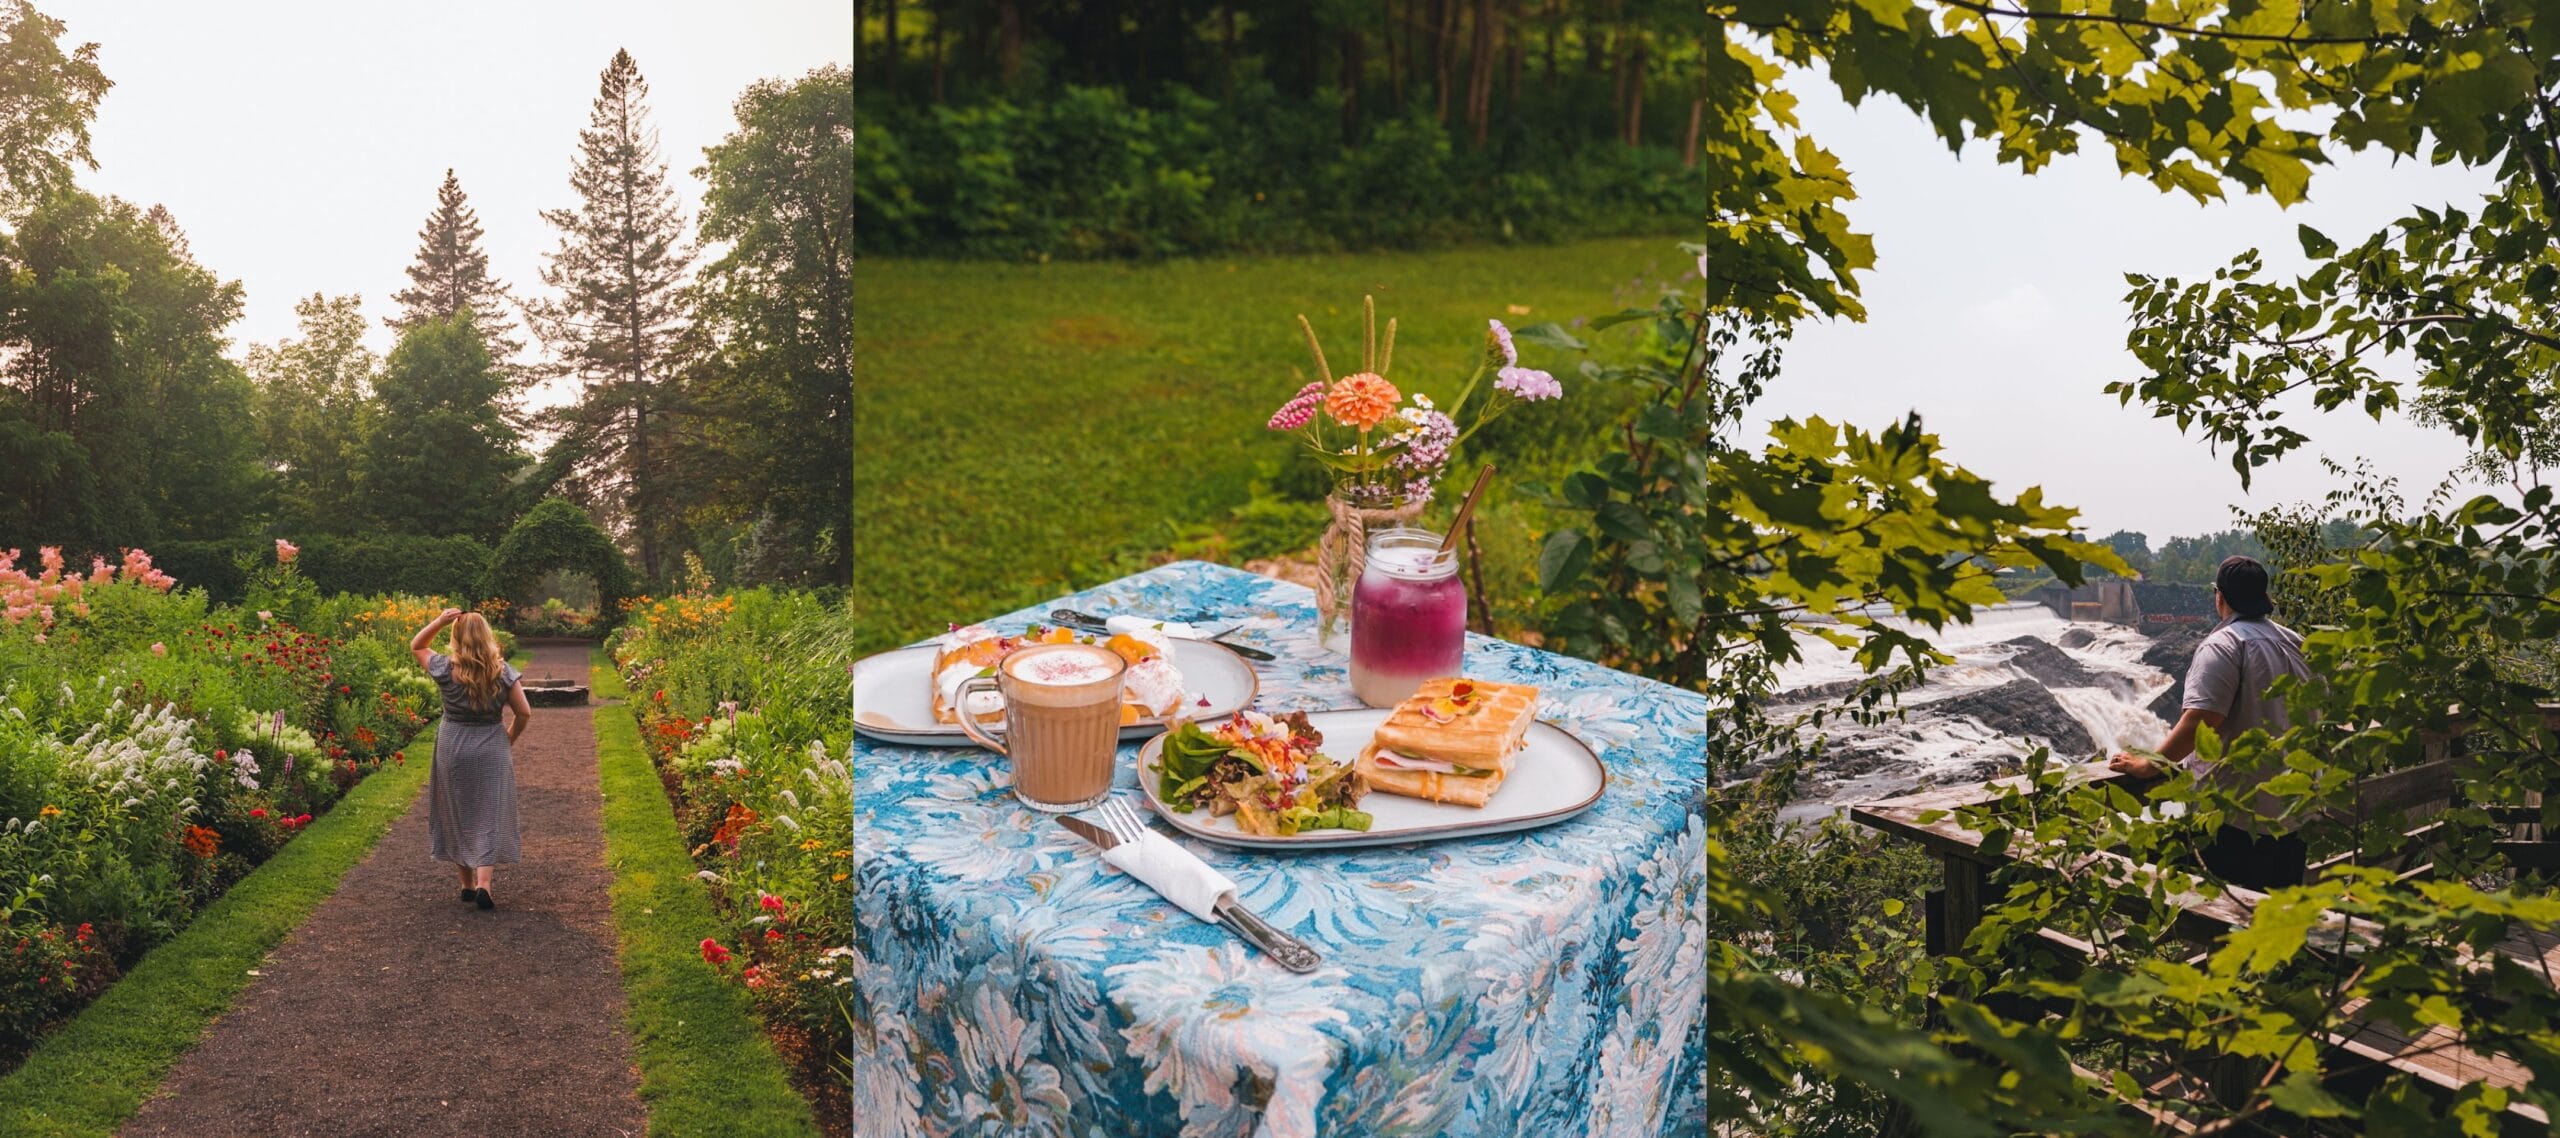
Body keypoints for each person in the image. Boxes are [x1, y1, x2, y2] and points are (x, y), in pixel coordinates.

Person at [2108, 556, 2316, 891]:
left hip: (2237, 817)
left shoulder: (2225, 645)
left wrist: (2150, 764)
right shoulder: (2296, 642)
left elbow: (2201, 721)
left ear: (2219, 596)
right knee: (2273, 925)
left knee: (2228, 925)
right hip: (2293, 813)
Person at [410, 608, 530, 909]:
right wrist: (509, 737)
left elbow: (417, 646)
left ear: (457, 637)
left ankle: (465, 884)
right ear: (488, 636)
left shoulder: (443, 667)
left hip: (453, 744)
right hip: (491, 745)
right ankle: (484, 885)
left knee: (456, 810)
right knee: (488, 811)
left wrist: (439, 621)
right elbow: (524, 712)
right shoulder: (503, 672)